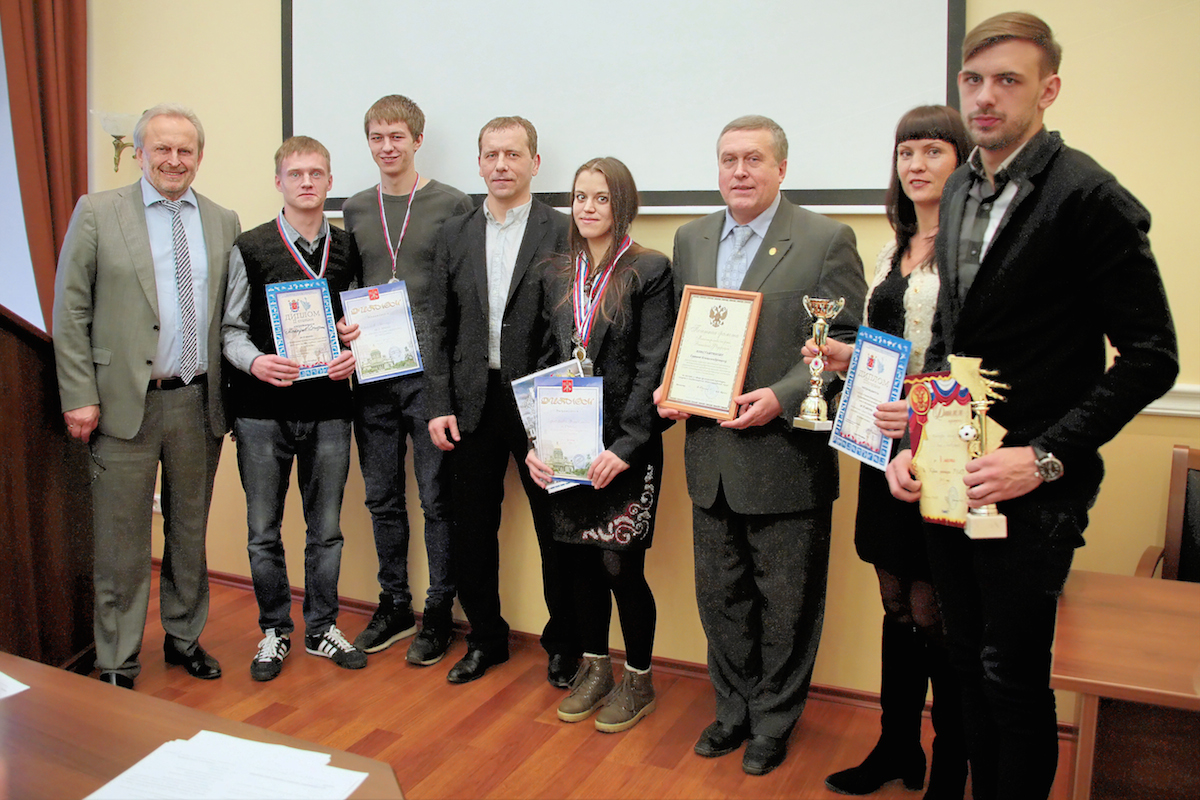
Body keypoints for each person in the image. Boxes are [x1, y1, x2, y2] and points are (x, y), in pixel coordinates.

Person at [885, 14, 1178, 800]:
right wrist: (914, 442)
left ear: (1048, 90)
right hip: (953, 478)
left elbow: (1152, 357)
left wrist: (1044, 457)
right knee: (963, 667)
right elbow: (950, 341)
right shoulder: (958, 188)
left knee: (1011, 680)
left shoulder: (1088, 196)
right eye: (973, 81)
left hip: (1034, 492)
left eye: (1007, 81)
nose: (985, 97)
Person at [655, 115, 867, 775]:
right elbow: (686, 335)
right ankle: (732, 710)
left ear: (781, 168)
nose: (740, 171)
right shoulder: (690, 238)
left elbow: (847, 346)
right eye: (729, 159)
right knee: (721, 597)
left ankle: (774, 720)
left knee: (787, 604)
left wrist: (781, 394)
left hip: (785, 457)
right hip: (710, 457)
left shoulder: (826, 239)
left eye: (754, 159)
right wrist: (671, 388)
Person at [810, 106, 971, 799]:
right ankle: (896, 747)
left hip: (942, 450)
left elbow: (972, 360)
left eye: (933, 150)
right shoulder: (892, 249)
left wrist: (922, 409)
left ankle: (951, 766)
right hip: (881, 447)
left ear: (964, 162)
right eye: (907, 152)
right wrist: (846, 357)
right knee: (896, 603)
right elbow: (892, 350)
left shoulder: (974, 250)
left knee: (939, 614)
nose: (916, 165)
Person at [52, 103, 241, 689]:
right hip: (121, 403)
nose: (174, 160)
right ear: (139, 154)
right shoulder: (97, 212)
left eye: (185, 150)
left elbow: (231, 316)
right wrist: (78, 394)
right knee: (121, 543)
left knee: (189, 532)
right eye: (162, 148)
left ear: (200, 156)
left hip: (198, 402)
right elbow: (70, 309)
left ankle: (184, 637)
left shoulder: (223, 220)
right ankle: (117, 659)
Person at [425, 117, 577, 686]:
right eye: (491, 154)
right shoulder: (454, 233)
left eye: (513, 154)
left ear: (534, 162)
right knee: (471, 528)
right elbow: (439, 324)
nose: (501, 165)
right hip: (470, 401)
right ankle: (486, 638)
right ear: (479, 163)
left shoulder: (564, 230)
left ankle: (564, 644)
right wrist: (438, 402)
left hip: (542, 399)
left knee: (555, 529)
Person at [524, 158, 674, 733]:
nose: (587, 208)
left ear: (622, 205)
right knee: (579, 564)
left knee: (619, 566)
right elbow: (544, 360)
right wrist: (538, 440)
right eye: (580, 197)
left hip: (624, 450)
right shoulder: (556, 272)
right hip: (567, 447)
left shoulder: (649, 269)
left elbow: (652, 364)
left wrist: (627, 445)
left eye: (601, 198)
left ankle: (639, 678)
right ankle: (594, 668)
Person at [222, 136, 367, 681]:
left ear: (330, 182)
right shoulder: (250, 246)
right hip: (261, 411)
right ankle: (274, 631)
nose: (307, 182)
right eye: (296, 173)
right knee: (264, 530)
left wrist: (353, 351)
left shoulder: (348, 248)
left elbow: (358, 324)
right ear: (278, 181)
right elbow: (230, 330)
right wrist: (257, 362)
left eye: (317, 173)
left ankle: (322, 627)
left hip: (329, 409)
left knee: (326, 530)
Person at [340, 95, 473, 666]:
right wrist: (341, 327)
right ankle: (394, 603)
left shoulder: (453, 203)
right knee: (381, 497)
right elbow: (347, 283)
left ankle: (439, 610)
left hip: (430, 376)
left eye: (397, 136)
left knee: (437, 499)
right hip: (373, 376)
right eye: (377, 137)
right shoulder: (354, 208)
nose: (387, 147)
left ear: (417, 141)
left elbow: (464, 290)